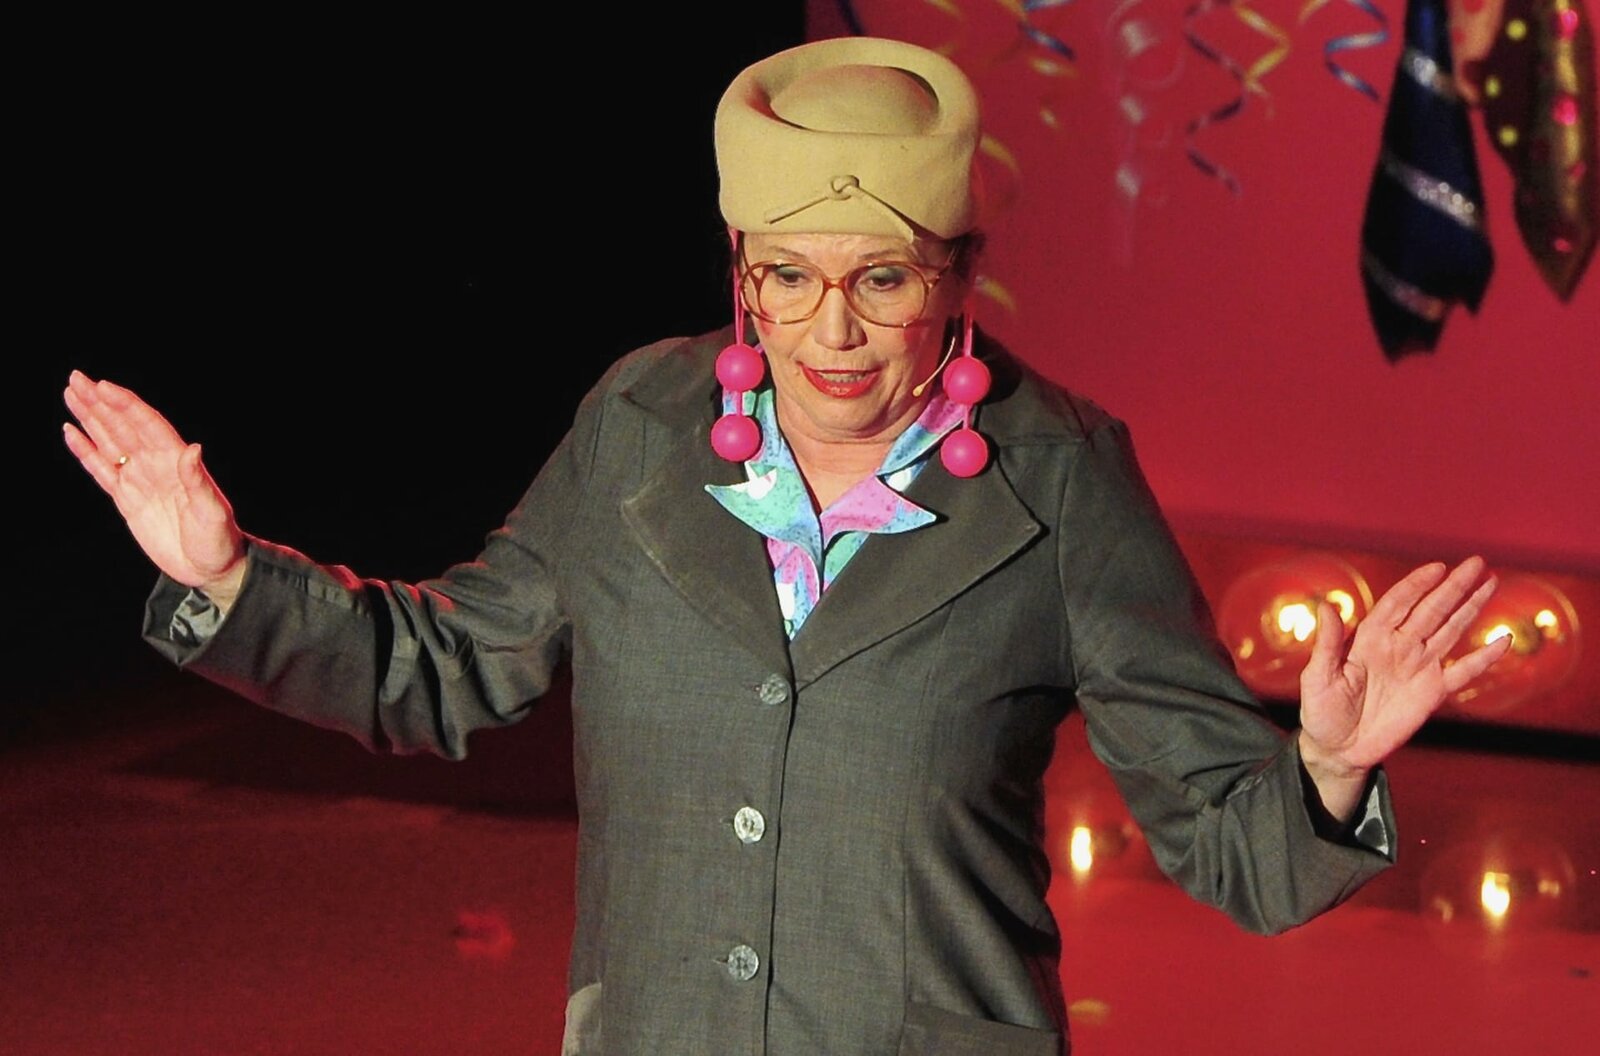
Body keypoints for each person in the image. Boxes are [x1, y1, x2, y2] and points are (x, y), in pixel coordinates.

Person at [64, 36, 1510, 1056]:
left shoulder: (1061, 477)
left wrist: (1325, 770)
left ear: (959, 275)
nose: (832, 332)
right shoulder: (640, 426)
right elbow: (442, 668)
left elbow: (1227, 842)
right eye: (788, 279)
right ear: (742, 273)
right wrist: (225, 578)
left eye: (883, 279)